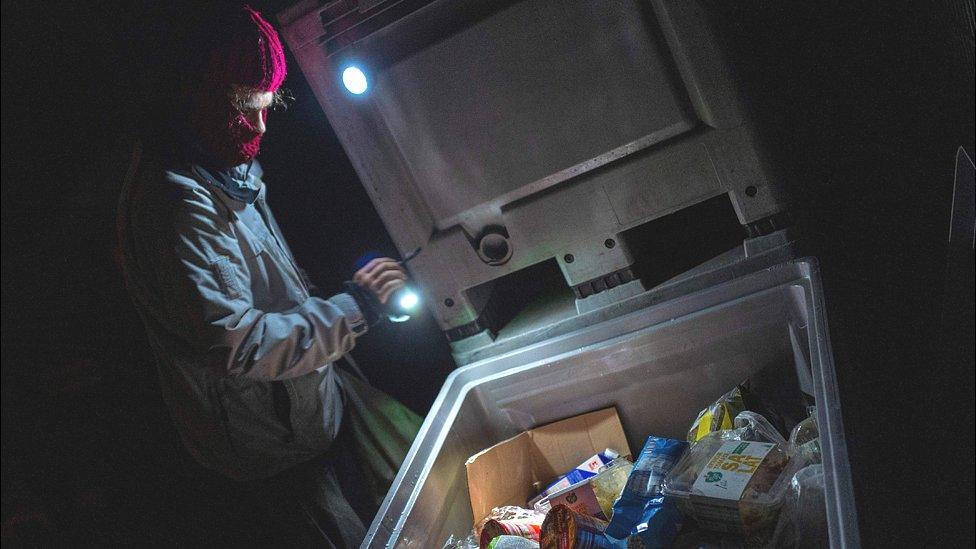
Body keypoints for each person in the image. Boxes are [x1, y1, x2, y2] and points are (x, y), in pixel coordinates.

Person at [117, 5, 421, 546]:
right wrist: (356, 308)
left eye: (267, 106)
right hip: (271, 447)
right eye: (244, 107)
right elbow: (239, 344)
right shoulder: (176, 202)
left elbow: (271, 275)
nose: (259, 125)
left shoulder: (215, 155)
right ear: (199, 95)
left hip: (306, 406)